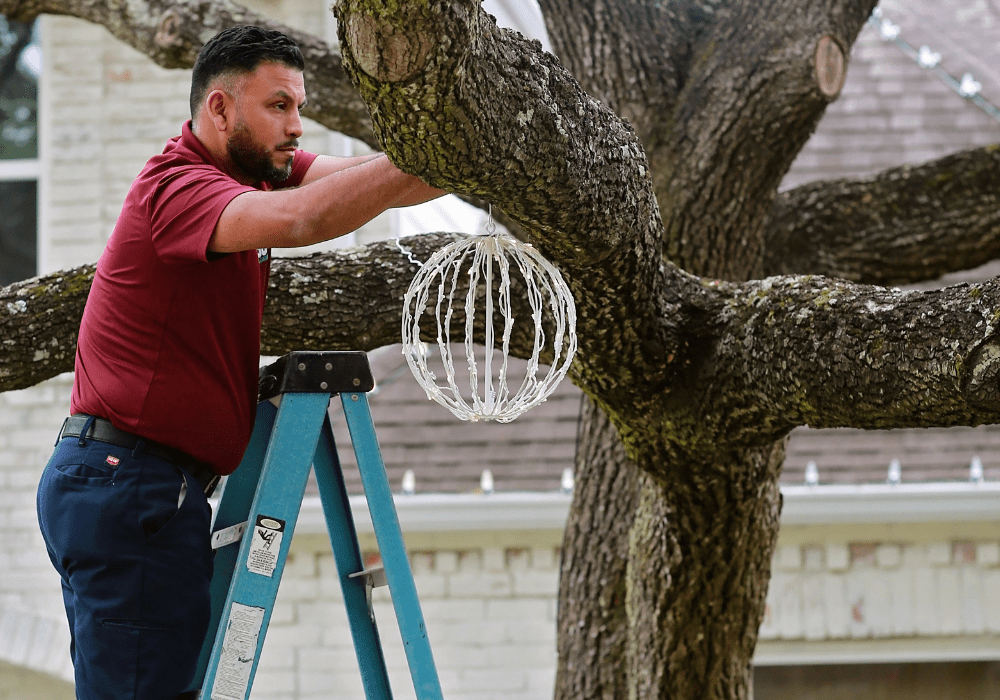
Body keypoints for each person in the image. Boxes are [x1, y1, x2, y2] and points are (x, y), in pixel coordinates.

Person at [36, 25, 444, 700]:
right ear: (220, 109)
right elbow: (300, 221)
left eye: (299, 108)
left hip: (138, 488)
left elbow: (375, 185)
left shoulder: (255, 172)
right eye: (278, 106)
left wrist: (482, 162)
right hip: (130, 485)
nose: (296, 126)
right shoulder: (177, 186)